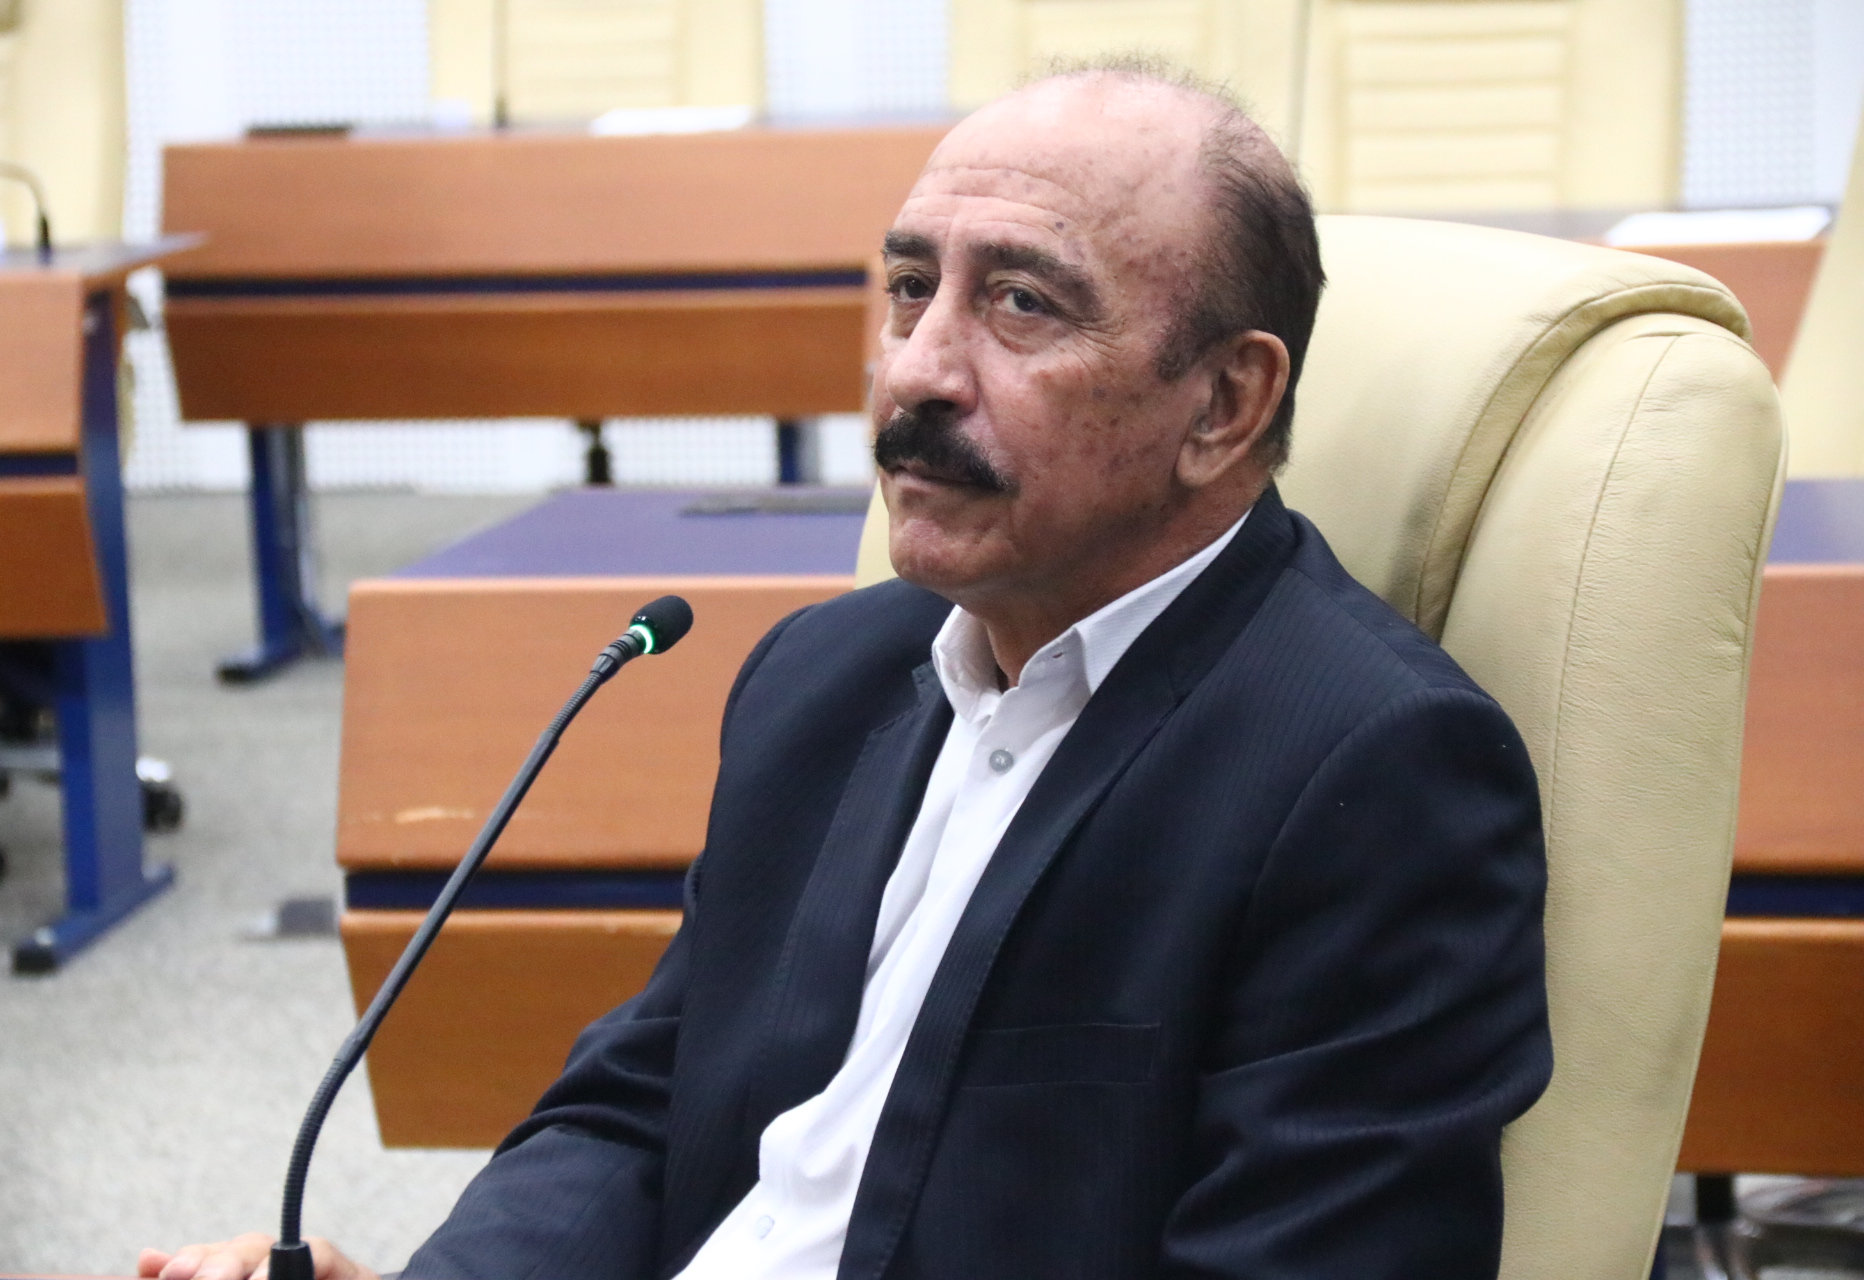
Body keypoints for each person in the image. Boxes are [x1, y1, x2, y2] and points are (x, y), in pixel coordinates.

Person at [141, 57, 1550, 1280]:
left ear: (1226, 404)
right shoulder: (824, 676)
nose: (917, 371)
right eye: (908, 290)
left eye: (1021, 305)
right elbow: (641, 1112)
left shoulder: (1373, 772)